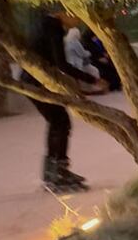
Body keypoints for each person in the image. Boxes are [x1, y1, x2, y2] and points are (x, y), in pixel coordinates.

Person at [23, 11, 105, 192]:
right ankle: (56, 173)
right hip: (36, 82)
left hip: (33, 81)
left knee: (58, 122)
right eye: (76, 18)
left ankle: (54, 172)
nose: (76, 24)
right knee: (60, 122)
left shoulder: (42, 22)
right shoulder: (53, 27)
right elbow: (62, 64)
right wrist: (93, 80)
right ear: (65, 12)